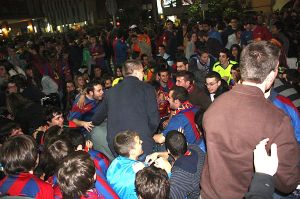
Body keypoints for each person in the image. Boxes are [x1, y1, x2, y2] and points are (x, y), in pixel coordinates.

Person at [200, 41, 300, 199]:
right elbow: (288, 182)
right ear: (273, 74)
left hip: (209, 193)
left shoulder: (214, 107)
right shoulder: (277, 120)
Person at [92, 60, 160, 158]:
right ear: (136, 72)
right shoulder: (147, 88)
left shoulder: (110, 92)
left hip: (118, 147)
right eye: (142, 72)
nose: (143, 75)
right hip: (140, 145)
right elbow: (154, 120)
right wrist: (146, 134)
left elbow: (96, 119)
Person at [148, 130, 205, 199]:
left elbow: (169, 196)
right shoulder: (195, 148)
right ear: (185, 143)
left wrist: (169, 171)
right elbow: (177, 153)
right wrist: (157, 154)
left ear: (168, 150)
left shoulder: (181, 174)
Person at [106, 131, 145, 199]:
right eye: (139, 142)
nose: (142, 141)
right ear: (132, 151)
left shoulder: (114, 162)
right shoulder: (138, 177)